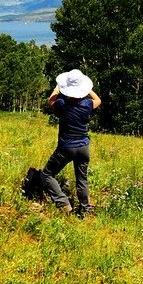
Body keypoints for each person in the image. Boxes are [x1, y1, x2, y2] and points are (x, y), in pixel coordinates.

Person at [40, 69, 101, 215]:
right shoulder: (87, 104)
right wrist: (89, 90)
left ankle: (63, 203)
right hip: (83, 147)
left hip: (66, 147)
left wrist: (56, 89)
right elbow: (98, 100)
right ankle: (84, 209)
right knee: (82, 179)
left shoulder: (62, 104)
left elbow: (50, 101)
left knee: (47, 174)